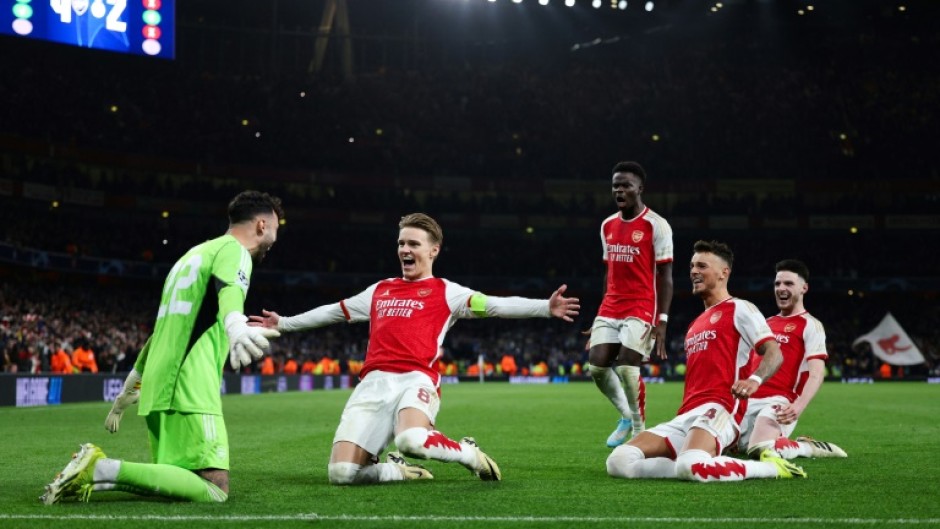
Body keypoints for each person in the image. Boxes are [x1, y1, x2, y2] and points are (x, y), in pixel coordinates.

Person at [250, 213, 580, 485]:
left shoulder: (447, 293)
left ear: (433, 250)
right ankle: (397, 470)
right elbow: (333, 311)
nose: (404, 249)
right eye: (401, 243)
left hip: (415, 380)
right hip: (373, 384)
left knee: (411, 439)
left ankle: (467, 452)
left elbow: (494, 305)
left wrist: (543, 307)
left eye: (413, 244)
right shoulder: (380, 290)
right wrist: (284, 323)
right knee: (342, 474)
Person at [41, 190, 285, 504]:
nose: (275, 240)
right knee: (214, 488)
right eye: (277, 229)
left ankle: (90, 479)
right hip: (189, 384)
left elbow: (164, 330)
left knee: (175, 479)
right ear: (262, 225)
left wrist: (131, 383)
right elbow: (230, 291)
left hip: (157, 384)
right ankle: (101, 469)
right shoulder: (234, 251)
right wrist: (236, 325)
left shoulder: (189, 258)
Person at [606, 240, 807, 482]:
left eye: (702, 266)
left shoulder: (740, 308)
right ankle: (692, 463)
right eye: (692, 266)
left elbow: (774, 352)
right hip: (685, 415)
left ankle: (773, 469)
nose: (693, 271)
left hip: (721, 408)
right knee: (618, 461)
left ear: (724, 273)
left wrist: (754, 380)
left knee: (690, 466)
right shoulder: (694, 325)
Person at [587, 161, 673, 447]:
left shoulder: (656, 225)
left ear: (640, 189)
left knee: (626, 366)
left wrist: (662, 320)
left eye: (626, 185)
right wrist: (599, 313)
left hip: (641, 305)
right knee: (597, 366)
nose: (620, 190)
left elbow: (665, 276)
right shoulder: (607, 225)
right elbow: (607, 272)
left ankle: (639, 432)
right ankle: (626, 415)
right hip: (611, 306)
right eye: (615, 185)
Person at [735, 259, 847, 459]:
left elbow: (816, 373)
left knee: (761, 449)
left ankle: (809, 448)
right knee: (717, 446)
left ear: (804, 288)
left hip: (780, 402)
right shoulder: (765, 323)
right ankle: (783, 442)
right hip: (746, 401)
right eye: (777, 284)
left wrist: (798, 406)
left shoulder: (810, 325)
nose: (781, 288)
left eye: (788, 284)